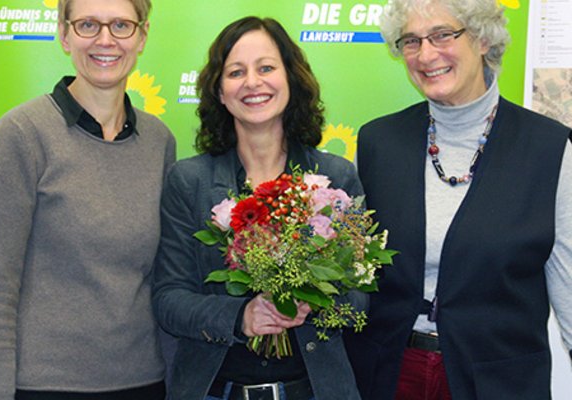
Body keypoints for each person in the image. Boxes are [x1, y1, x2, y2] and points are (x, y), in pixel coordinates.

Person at [344, 0, 572, 399]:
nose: (426, 54)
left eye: (443, 35)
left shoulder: (550, 150)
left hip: (500, 382)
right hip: (387, 376)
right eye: (411, 40)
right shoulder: (377, 143)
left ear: (483, 38)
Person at [151, 16, 365, 400]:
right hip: (214, 391)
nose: (253, 82)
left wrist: (310, 300)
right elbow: (168, 300)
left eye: (266, 68)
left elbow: (359, 298)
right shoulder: (188, 181)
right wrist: (241, 317)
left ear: (291, 79)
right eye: (236, 72)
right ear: (219, 90)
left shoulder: (335, 178)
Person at [0, 0, 176, 398]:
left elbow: (162, 278)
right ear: (64, 35)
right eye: (87, 25)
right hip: (44, 386)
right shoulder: (22, 133)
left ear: (143, 36)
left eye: (121, 25)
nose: (105, 40)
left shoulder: (158, 141)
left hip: (144, 382)